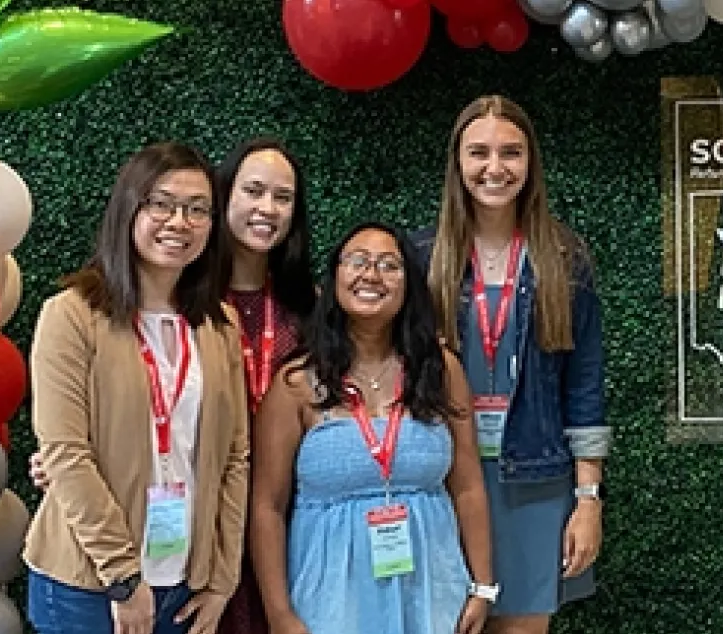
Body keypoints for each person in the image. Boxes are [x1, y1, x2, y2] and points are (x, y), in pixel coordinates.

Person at [31, 137, 316, 634]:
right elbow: (65, 453)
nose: (179, 222)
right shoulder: (73, 314)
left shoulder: (217, 326)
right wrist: (122, 578)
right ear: (129, 209)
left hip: (186, 583)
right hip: (89, 583)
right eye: (161, 204)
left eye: (196, 209)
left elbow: (233, 458)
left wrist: (222, 578)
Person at [410, 95, 610, 634]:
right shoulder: (422, 258)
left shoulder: (565, 258)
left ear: (530, 163)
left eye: (510, 153)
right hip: (441, 482)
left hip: (537, 485)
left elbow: (584, 387)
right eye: (478, 152)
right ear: (457, 162)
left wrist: (588, 500)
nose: (494, 168)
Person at [248, 222, 495, 634]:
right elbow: (267, 508)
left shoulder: (440, 368)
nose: (371, 275)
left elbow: (468, 484)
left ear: (408, 285)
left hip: (433, 588)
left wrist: (483, 585)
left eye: (389, 265)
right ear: (334, 278)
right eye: (357, 261)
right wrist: (279, 614)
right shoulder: (296, 385)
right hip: (331, 597)